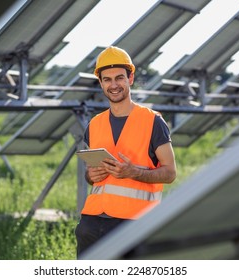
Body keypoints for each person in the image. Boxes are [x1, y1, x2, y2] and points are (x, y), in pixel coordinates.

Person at [75, 46, 176, 258]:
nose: (114, 85)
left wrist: (134, 172)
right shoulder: (94, 124)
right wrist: (90, 176)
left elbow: (170, 173)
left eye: (119, 78)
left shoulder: (153, 121)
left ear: (130, 78)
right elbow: (91, 174)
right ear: (100, 83)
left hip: (135, 223)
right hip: (91, 223)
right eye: (107, 79)